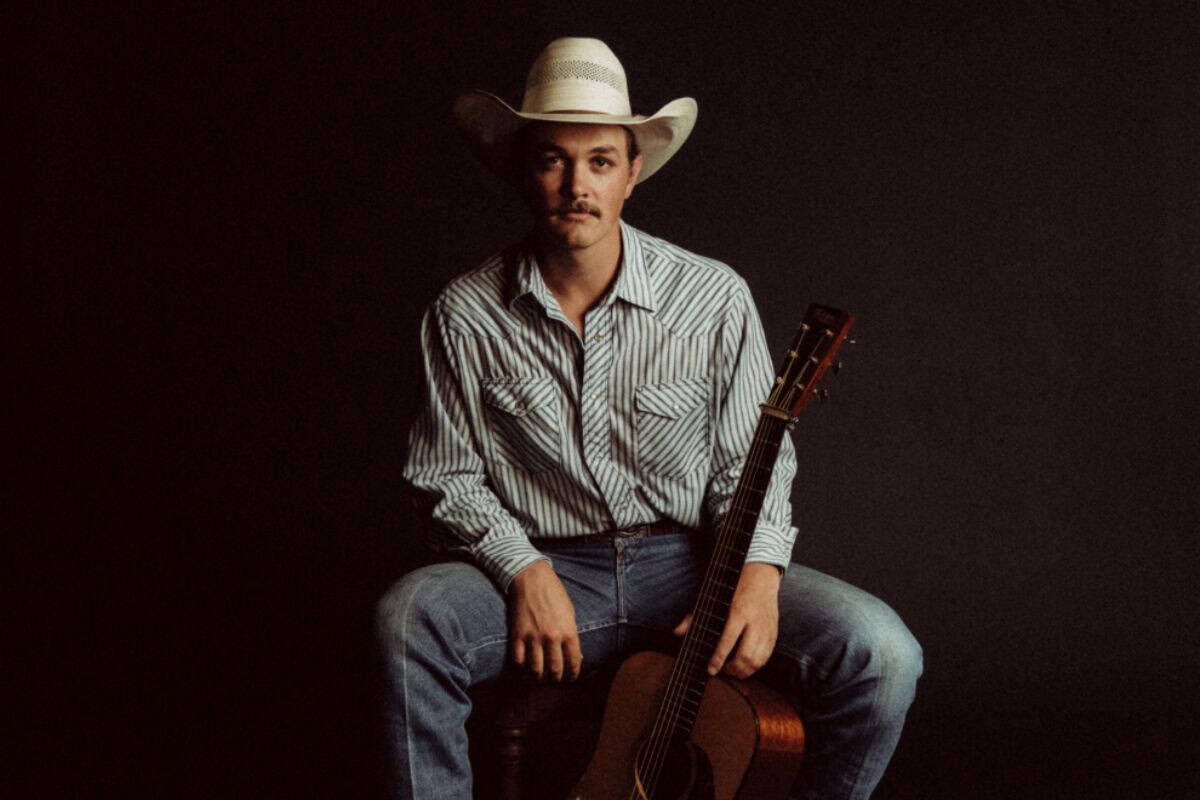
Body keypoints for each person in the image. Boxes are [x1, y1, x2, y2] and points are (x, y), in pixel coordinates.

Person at [377, 37, 922, 800]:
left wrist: (759, 574)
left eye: (600, 160)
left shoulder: (713, 297)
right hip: (550, 571)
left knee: (882, 652)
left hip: (691, 568)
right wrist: (523, 568)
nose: (577, 185)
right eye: (551, 161)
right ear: (518, 171)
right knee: (409, 619)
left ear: (633, 173)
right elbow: (445, 474)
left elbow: (748, 459)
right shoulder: (463, 314)